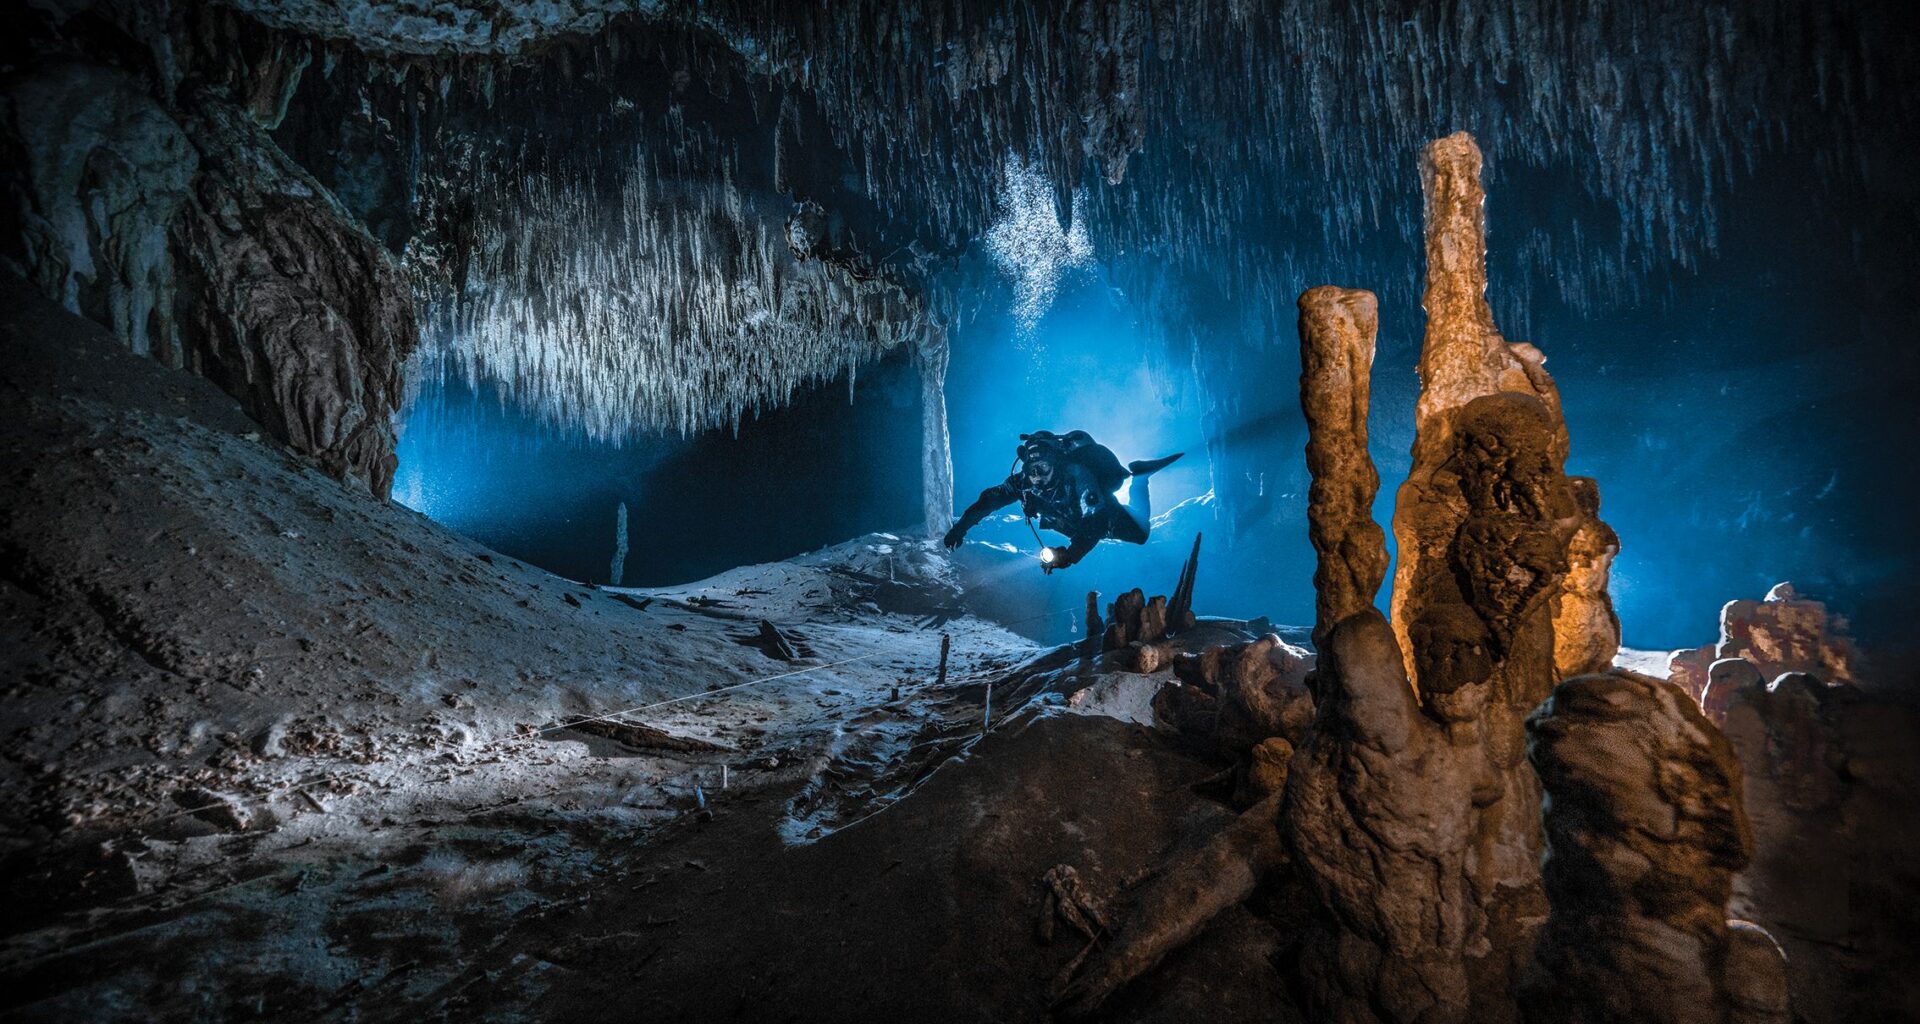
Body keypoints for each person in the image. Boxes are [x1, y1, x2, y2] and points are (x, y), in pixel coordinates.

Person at [942, 429, 1182, 571]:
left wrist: (1070, 556)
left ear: (1056, 464)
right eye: (1032, 469)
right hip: (1070, 520)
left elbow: (1095, 523)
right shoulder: (1023, 481)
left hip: (1101, 514)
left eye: (1043, 468)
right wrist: (960, 528)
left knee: (1141, 534)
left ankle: (1140, 478)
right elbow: (988, 501)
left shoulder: (1078, 475)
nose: (1037, 477)